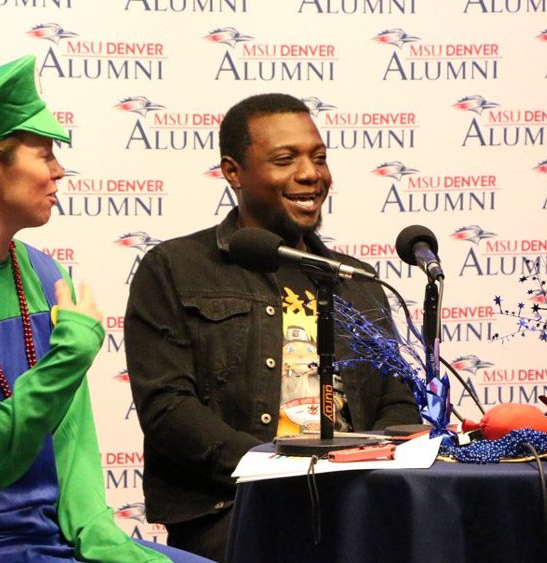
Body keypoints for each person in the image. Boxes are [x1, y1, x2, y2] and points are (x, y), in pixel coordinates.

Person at [0, 56, 206, 562]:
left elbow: (71, 438)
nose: (58, 171)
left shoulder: (43, 273)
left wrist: (101, 536)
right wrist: (69, 356)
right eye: (45, 155)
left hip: (40, 535)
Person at [124, 93, 420, 561]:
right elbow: (167, 408)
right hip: (235, 510)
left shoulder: (355, 281)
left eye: (319, 158)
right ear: (233, 171)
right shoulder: (176, 268)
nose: (310, 174)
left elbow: (397, 403)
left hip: (354, 506)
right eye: (285, 160)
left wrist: (371, 468)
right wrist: (272, 468)